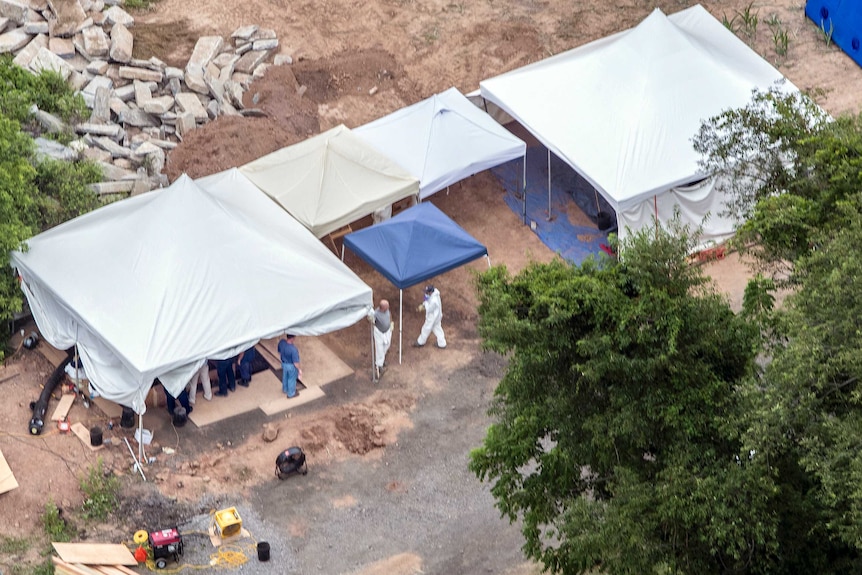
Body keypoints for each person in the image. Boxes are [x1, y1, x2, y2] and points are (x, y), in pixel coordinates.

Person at [414, 284, 446, 349]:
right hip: (436, 316)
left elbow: (429, 309)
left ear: (431, 292)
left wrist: (424, 304)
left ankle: (420, 342)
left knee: (426, 328)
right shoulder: (434, 294)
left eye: (427, 292)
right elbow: (428, 300)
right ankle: (442, 343)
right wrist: (424, 303)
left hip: (432, 317)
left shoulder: (434, 301)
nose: (426, 293)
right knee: (437, 329)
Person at [372, 299, 392, 380]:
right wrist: (371, 318)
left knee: (387, 345)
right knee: (379, 349)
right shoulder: (376, 314)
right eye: (387, 307)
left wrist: (391, 323)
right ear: (382, 308)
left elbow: (389, 316)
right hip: (379, 333)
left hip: (387, 332)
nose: (388, 308)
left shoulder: (387, 311)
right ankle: (379, 365)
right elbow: (372, 320)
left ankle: (381, 360)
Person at [278, 334, 302, 399]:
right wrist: (299, 369)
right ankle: (291, 394)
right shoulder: (293, 349)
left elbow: (279, 352)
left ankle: (285, 389)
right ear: (292, 338)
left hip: (283, 364)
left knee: (285, 376)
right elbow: (295, 362)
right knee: (291, 379)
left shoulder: (282, 342)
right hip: (291, 366)